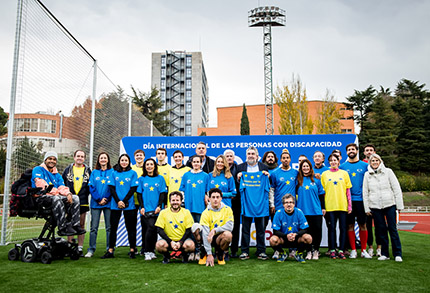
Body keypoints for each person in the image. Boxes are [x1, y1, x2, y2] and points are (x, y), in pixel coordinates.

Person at [31, 151, 85, 236]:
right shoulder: (38, 169)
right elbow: (41, 185)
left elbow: (62, 187)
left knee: (75, 198)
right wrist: (57, 192)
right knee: (57, 198)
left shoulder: (57, 175)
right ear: (45, 160)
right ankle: (62, 228)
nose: (52, 161)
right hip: (41, 197)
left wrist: (68, 194)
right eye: (50, 159)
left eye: (54, 159)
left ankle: (75, 225)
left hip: (55, 197)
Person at [363, 154, 404, 262]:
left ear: (380, 161)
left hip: (389, 204)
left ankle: (397, 253)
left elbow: (396, 188)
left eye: (377, 160)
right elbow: (365, 193)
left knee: (392, 229)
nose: (375, 162)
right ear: (370, 163)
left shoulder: (388, 172)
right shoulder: (367, 175)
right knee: (381, 231)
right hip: (375, 206)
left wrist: (399, 205)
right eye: (373, 161)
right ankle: (385, 253)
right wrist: (367, 208)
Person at [102, 154, 139, 259]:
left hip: (129, 205)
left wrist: (124, 201)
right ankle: (110, 250)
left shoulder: (133, 173)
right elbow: (112, 188)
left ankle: (132, 250)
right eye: (122, 160)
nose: (124, 162)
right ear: (119, 161)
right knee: (113, 228)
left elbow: (133, 188)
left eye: (126, 160)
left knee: (131, 228)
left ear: (129, 162)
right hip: (115, 205)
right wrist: (118, 201)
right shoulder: (114, 173)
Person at [237, 146, 270, 261]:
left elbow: (268, 186)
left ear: (257, 156)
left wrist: (267, 176)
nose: (250, 155)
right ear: (246, 156)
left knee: (261, 229)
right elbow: (237, 186)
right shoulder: (240, 168)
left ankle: (261, 251)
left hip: (260, 204)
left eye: (253, 154)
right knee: (245, 229)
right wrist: (238, 177)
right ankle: (245, 251)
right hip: (246, 203)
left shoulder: (264, 167)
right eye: (249, 154)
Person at [340, 143, 371, 259]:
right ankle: (353, 250)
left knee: (363, 224)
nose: (351, 151)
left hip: (362, 200)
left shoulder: (364, 165)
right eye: (349, 150)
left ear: (357, 150)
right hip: (348, 201)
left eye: (353, 149)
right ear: (346, 152)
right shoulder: (342, 167)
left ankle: (363, 250)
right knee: (350, 225)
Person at [321, 153, 352, 260]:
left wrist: (349, 206)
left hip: (342, 205)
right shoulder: (325, 174)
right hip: (330, 206)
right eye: (331, 161)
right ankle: (332, 249)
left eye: (335, 160)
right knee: (331, 228)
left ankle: (341, 250)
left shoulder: (344, 174)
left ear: (338, 161)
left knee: (343, 228)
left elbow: (348, 191)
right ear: (328, 162)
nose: (333, 162)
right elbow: (322, 192)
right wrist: (323, 206)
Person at [136, 158, 167, 261]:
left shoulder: (160, 178)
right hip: (145, 209)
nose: (149, 166)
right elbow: (139, 194)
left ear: (155, 166)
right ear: (145, 167)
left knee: (153, 229)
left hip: (156, 209)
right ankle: (147, 251)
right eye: (147, 164)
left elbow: (162, 193)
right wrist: (142, 207)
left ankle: (151, 250)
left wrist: (159, 206)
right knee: (148, 229)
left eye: (151, 164)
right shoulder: (142, 179)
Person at [270, 149, 298, 259]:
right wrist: (272, 204)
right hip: (278, 206)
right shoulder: (275, 173)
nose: (285, 160)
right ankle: (277, 251)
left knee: (293, 228)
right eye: (283, 158)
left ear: (290, 159)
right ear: (280, 160)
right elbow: (272, 189)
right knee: (277, 229)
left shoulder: (295, 173)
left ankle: (293, 250)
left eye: (287, 158)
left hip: (292, 206)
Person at [62, 150, 91, 256]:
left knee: (81, 224)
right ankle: (70, 247)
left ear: (84, 158)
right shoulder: (68, 170)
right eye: (78, 156)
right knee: (70, 224)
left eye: (82, 156)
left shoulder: (88, 170)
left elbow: (91, 186)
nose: (80, 158)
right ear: (74, 157)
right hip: (70, 201)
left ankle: (79, 248)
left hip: (83, 201)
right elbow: (62, 184)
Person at [195, 188, 234, 266]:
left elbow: (230, 226)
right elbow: (206, 233)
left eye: (217, 197)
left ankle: (219, 252)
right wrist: (209, 254)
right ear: (209, 199)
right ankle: (204, 252)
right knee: (195, 228)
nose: (215, 199)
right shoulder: (205, 213)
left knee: (228, 235)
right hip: (208, 238)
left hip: (218, 237)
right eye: (213, 197)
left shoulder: (227, 209)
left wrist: (215, 230)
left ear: (221, 198)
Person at [85, 152, 113, 258]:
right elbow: (91, 187)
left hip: (108, 203)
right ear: (99, 160)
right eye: (101, 158)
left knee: (109, 228)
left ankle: (109, 249)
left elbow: (112, 187)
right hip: (96, 204)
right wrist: (98, 199)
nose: (103, 160)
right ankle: (91, 249)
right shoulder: (94, 172)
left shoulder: (112, 172)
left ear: (108, 160)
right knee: (93, 228)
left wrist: (106, 198)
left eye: (105, 158)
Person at [296, 159, 325, 260]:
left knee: (317, 232)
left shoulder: (316, 179)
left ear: (310, 167)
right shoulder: (298, 180)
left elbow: (321, 195)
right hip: (303, 211)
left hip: (316, 211)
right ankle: (308, 251)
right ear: (301, 168)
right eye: (303, 166)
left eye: (307, 166)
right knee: (306, 233)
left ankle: (316, 251)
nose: (305, 168)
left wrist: (323, 207)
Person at [270, 194, 312, 263]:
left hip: (296, 238)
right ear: (283, 204)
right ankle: (282, 253)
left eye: (291, 202)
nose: (288, 204)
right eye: (286, 202)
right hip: (284, 238)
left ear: (294, 204)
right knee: (273, 240)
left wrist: (296, 234)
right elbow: (275, 231)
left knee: (308, 238)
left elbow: (305, 229)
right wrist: (286, 236)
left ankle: (299, 253)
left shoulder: (299, 212)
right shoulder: (278, 213)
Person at [155, 191, 195, 264]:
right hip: (168, 241)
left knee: (191, 245)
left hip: (182, 241)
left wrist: (180, 242)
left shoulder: (186, 212)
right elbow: (159, 229)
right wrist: (171, 242)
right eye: (173, 200)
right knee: (159, 245)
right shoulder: (163, 212)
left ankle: (184, 255)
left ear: (181, 201)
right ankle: (167, 256)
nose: (175, 202)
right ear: (170, 201)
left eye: (177, 200)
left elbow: (188, 230)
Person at [362, 144, 382, 257]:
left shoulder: (380, 166)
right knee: (367, 226)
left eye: (371, 150)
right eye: (367, 150)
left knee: (379, 226)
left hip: (379, 202)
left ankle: (379, 247)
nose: (369, 152)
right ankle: (370, 247)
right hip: (368, 201)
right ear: (364, 153)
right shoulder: (364, 167)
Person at [179, 155, 210, 223]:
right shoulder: (186, 175)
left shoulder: (205, 176)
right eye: (194, 162)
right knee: (190, 228)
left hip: (200, 206)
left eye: (198, 162)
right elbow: (182, 190)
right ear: (191, 163)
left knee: (200, 228)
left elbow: (207, 191)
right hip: (188, 206)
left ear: (201, 163)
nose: (196, 163)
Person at [224, 149, 241, 258]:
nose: (229, 157)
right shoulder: (220, 169)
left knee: (235, 227)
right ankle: (222, 250)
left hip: (236, 202)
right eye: (227, 156)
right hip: (223, 203)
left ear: (234, 158)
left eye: (231, 156)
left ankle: (234, 250)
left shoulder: (238, 168)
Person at [131, 149, 145, 255]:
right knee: (132, 225)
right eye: (137, 155)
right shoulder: (131, 169)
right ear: (134, 157)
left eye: (141, 155)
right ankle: (133, 247)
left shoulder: (147, 168)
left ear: (144, 156)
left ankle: (144, 247)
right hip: (132, 201)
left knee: (144, 225)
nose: (139, 157)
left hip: (143, 202)